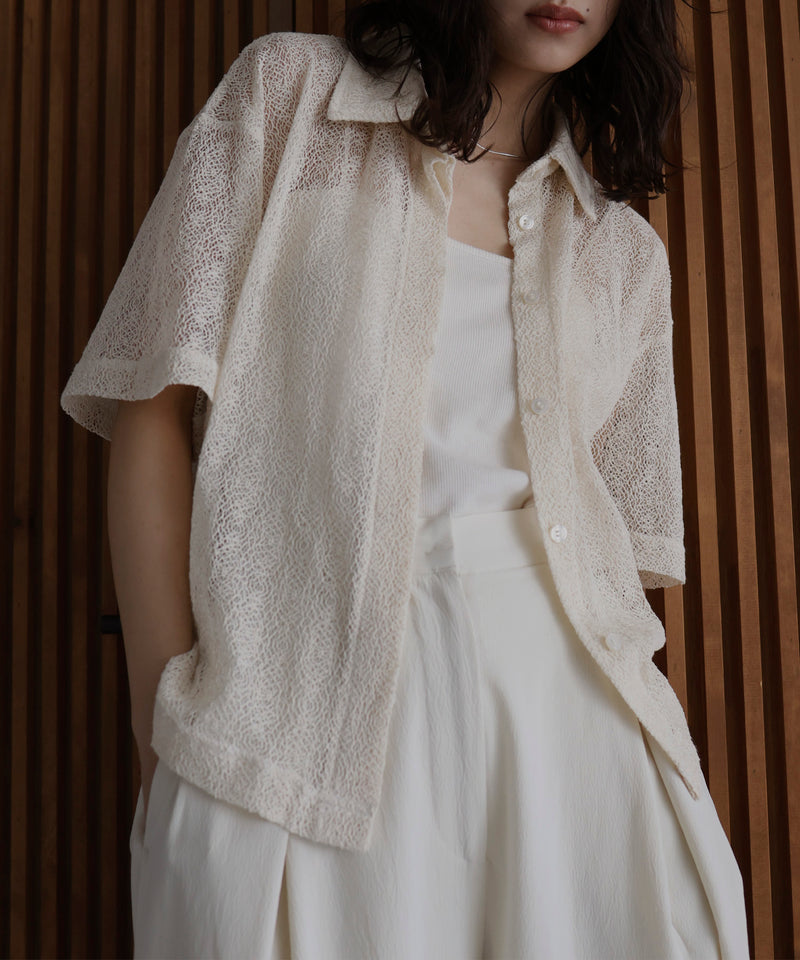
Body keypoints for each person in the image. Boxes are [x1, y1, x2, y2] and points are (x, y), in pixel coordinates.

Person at [60, 0, 752, 956]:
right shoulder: (290, 99)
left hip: (566, 733)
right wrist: (159, 736)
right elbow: (149, 413)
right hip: (288, 716)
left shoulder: (622, 254)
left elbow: (616, 562)